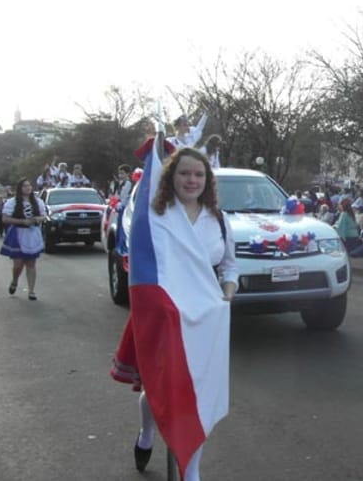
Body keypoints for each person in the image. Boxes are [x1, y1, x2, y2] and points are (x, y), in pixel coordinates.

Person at [121, 147, 237, 479]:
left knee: (197, 395)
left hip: (207, 321)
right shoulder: (155, 217)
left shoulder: (219, 220)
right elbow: (141, 266)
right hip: (164, 316)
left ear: (208, 180)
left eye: (199, 174)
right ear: (171, 176)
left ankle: (192, 471)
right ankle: (147, 433)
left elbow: (230, 267)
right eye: (185, 173)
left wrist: (226, 297)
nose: (192, 180)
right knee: (158, 388)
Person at [0, 178, 49, 301]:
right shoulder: (12, 202)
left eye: (29, 185)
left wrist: (38, 219)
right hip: (18, 234)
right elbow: (5, 219)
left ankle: (31, 291)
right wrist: (22, 221)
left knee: (31, 263)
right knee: (18, 264)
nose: (28, 188)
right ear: (20, 188)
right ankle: (15, 280)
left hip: (33, 235)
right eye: (24, 186)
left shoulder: (38, 202)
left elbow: (44, 216)